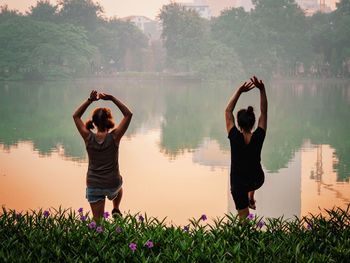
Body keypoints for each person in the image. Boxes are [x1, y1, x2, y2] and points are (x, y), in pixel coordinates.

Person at [73, 90, 133, 220]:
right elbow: (128, 114)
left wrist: (90, 100)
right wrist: (112, 98)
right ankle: (116, 208)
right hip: (112, 183)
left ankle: (99, 232)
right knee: (119, 183)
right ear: (109, 121)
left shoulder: (88, 137)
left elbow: (76, 116)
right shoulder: (115, 137)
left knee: (97, 222)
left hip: (94, 184)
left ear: (94, 122)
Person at [225, 76, 268, 219]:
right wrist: (262, 90)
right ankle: (251, 197)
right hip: (256, 179)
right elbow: (264, 112)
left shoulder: (234, 136)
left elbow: (228, 111)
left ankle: (248, 200)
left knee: (243, 219)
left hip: (238, 184)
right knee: (251, 172)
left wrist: (239, 91)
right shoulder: (259, 136)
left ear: (238, 124)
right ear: (253, 123)